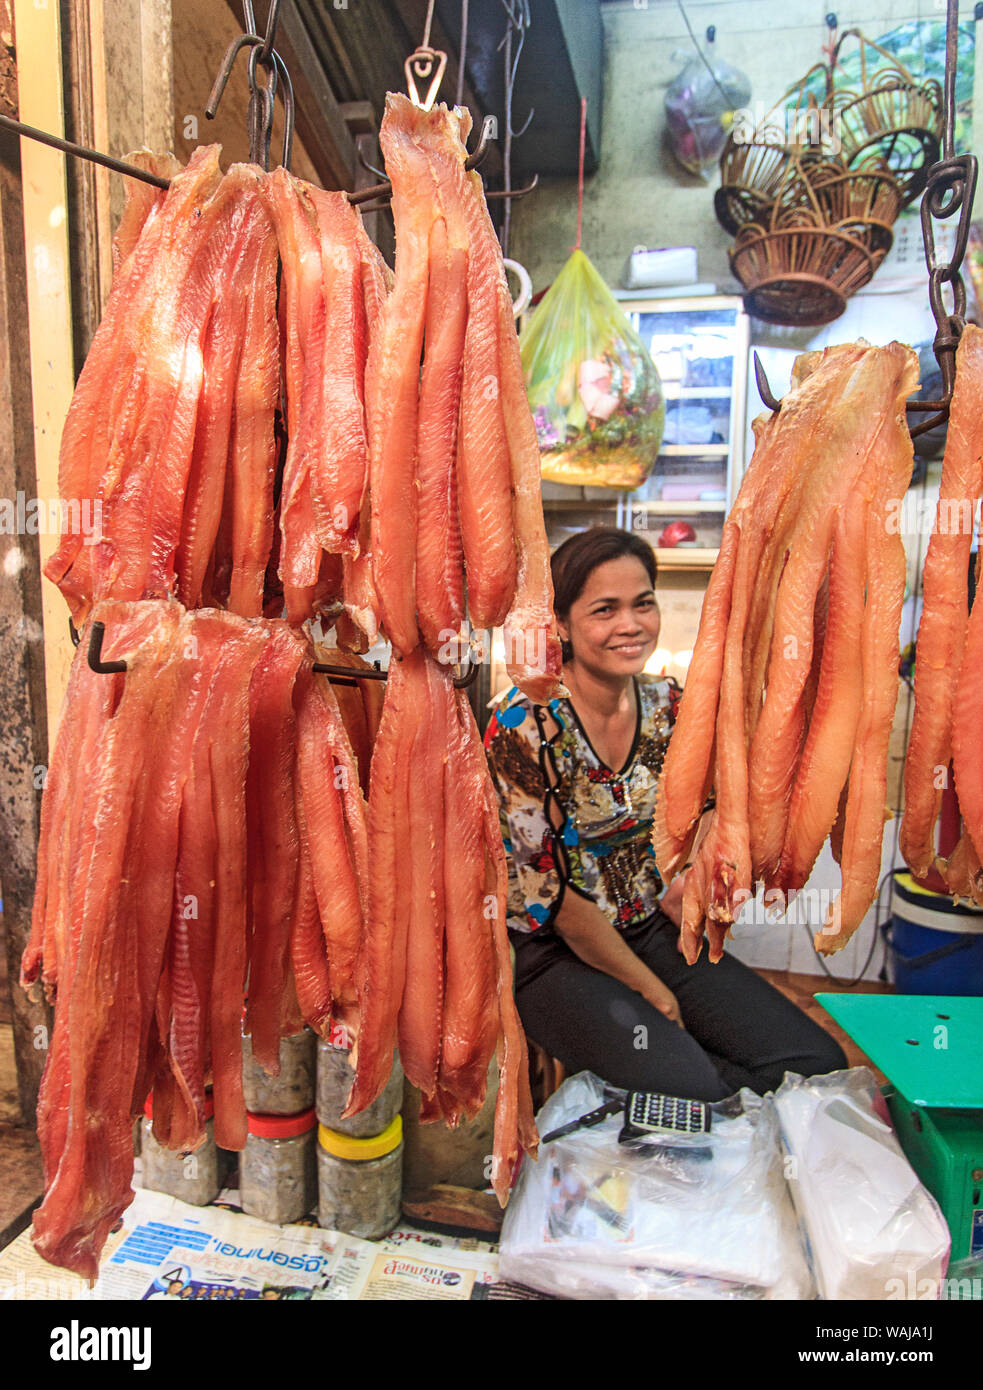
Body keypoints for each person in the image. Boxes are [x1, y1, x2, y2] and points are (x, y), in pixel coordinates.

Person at [484, 527, 846, 1101]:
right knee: (694, 1086)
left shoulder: (668, 706)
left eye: (642, 603)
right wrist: (652, 992)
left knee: (816, 1062)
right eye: (605, 609)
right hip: (555, 954)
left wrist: (692, 873)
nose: (631, 625)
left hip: (650, 928)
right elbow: (553, 901)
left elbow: (707, 808)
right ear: (561, 625)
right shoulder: (523, 725)